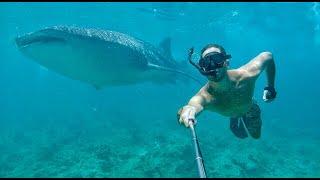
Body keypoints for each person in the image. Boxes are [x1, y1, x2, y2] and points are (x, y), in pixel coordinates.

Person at [177, 44, 277, 139]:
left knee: (256, 136)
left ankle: (239, 115)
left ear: (227, 63)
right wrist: (188, 110)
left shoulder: (246, 75)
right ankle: (234, 118)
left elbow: (267, 56)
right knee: (237, 121)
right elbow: (193, 105)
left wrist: (270, 87)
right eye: (206, 62)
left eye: (217, 59)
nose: (213, 66)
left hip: (249, 108)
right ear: (202, 67)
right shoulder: (205, 97)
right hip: (232, 113)